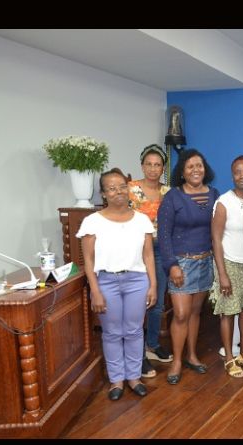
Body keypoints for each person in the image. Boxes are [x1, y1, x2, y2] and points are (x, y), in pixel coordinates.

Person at [78, 168, 156, 400]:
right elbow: (88, 260)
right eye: (112, 188)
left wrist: (153, 285)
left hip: (137, 281)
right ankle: (116, 381)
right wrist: (95, 290)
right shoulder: (92, 221)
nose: (118, 192)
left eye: (122, 186)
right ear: (103, 193)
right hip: (106, 282)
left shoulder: (142, 220)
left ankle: (134, 377)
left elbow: (149, 256)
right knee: (112, 333)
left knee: (134, 331)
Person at [158, 149, 219, 385]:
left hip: (206, 261)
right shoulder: (173, 197)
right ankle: (176, 361)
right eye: (190, 166)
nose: (196, 170)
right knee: (181, 314)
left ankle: (192, 356)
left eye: (199, 165)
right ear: (182, 172)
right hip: (181, 263)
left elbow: (218, 230)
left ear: (205, 169)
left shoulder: (214, 194)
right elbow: (164, 235)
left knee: (195, 312)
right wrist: (172, 265)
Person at [211, 156, 243, 377]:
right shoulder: (224, 202)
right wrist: (222, 274)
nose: (242, 176)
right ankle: (229, 359)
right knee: (228, 312)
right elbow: (215, 239)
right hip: (229, 263)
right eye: (237, 172)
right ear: (232, 175)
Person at [128, 144, 173, 380]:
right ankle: (137, 353)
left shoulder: (169, 192)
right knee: (138, 302)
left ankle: (152, 344)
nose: (153, 169)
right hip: (136, 251)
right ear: (142, 166)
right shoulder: (130, 189)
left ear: (163, 168)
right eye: (149, 164)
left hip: (160, 250)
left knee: (157, 301)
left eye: (158, 165)